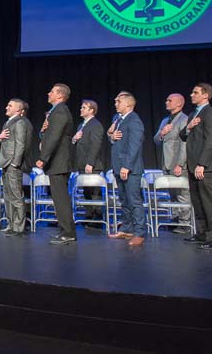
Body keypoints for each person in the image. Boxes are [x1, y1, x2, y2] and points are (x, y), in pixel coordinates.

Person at [180, 83, 212, 250]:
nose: (191, 95)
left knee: (210, 203)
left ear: (205, 95)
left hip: (205, 167)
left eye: (195, 92)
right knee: (197, 202)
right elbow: (182, 135)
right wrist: (189, 127)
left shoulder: (211, 114)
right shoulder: (192, 114)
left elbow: (211, 142)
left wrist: (202, 164)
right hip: (193, 166)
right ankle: (202, 233)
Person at [36, 84, 76, 245]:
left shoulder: (60, 111)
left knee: (61, 199)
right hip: (57, 162)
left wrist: (43, 158)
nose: (48, 93)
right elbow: (48, 134)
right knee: (58, 198)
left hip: (59, 161)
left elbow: (55, 137)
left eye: (52, 91)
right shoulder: (55, 112)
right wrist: (43, 130)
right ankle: (65, 231)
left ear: (59, 96)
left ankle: (68, 232)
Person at [107, 92, 146, 246]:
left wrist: (127, 166)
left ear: (128, 105)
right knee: (124, 200)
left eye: (119, 101)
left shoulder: (134, 120)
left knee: (134, 200)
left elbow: (135, 145)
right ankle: (127, 228)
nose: (115, 103)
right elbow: (114, 139)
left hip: (129, 168)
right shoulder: (118, 119)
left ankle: (139, 232)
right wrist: (111, 136)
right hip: (118, 166)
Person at [153, 93, 191, 234]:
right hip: (166, 163)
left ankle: (184, 223)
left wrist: (180, 164)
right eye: (167, 99)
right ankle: (175, 219)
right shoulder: (165, 120)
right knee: (172, 194)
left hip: (178, 164)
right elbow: (156, 140)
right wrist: (162, 133)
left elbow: (184, 144)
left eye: (170, 100)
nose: (166, 102)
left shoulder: (185, 120)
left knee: (182, 194)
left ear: (179, 104)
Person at [0, 99, 33, 236]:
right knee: (8, 196)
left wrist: (15, 163)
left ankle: (18, 227)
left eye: (10, 105)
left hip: (12, 163)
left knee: (16, 196)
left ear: (18, 110)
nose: (7, 107)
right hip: (5, 163)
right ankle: (11, 224)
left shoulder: (19, 122)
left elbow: (20, 144)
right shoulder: (9, 122)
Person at [71, 99, 104, 225]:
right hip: (81, 163)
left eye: (84, 107)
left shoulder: (95, 125)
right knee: (86, 192)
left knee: (94, 192)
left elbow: (96, 145)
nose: (81, 109)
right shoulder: (81, 125)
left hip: (91, 165)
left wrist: (90, 163)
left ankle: (97, 218)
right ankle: (89, 215)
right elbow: (77, 142)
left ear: (91, 110)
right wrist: (74, 139)